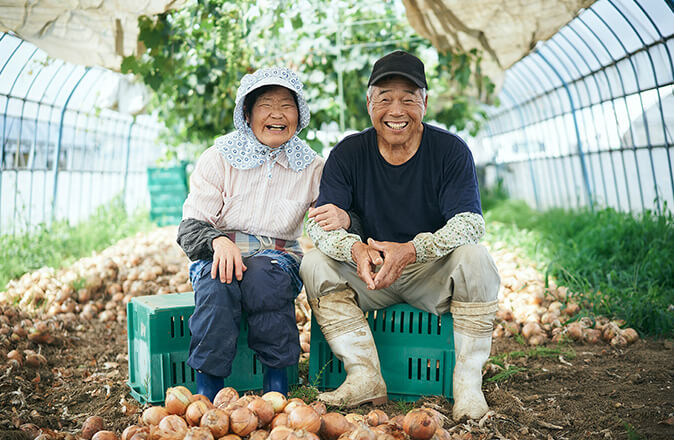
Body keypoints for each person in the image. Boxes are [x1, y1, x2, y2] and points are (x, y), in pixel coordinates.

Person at [300, 51, 501, 421]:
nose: (397, 110)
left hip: (430, 274)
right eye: (385, 98)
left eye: (409, 98)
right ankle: (363, 375)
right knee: (314, 263)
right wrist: (356, 248)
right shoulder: (348, 153)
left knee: (476, 258)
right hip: (370, 274)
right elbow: (318, 224)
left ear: (424, 103)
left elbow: (470, 223)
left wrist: (413, 249)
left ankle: (468, 384)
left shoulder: (449, 151)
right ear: (369, 104)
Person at [176, 67, 349, 401]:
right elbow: (190, 225)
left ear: (300, 114)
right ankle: (209, 391)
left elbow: (337, 211)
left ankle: (276, 384)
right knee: (217, 285)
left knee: (262, 279)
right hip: (219, 251)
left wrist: (342, 215)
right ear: (247, 113)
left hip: (276, 258)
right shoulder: (219, 158)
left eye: (286, 105)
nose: (276, 114)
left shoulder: (312, 166)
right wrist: (217, 241)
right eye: (266, 105)